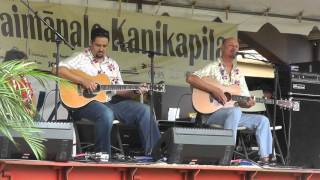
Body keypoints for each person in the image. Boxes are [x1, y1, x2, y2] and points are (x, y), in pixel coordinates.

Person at [53, 27, 161, 156]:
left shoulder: (112, 64)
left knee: (145, 110)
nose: (101, 49)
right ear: (91, 43)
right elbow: (56, 69)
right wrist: (83, 80)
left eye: (104, 46)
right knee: (106, 113)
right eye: (98, 45)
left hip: (109, 102)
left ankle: (155, 154)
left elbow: (120, 90)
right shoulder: (80, 57)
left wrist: (135, 91)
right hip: (83, 105)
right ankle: (102, 156)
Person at [186, 37, 272, 164]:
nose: (234, 48)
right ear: (222, 48)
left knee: (263, 120)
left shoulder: (238, 73)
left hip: (233, 115)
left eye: (236, 46)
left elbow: (243, 100)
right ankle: (226, 154)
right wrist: (214, 90)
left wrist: (247, 104)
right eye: (230, 45)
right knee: (235, 111)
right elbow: (191, 78)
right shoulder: (213, 67)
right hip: (212, 114)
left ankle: (265, 159)